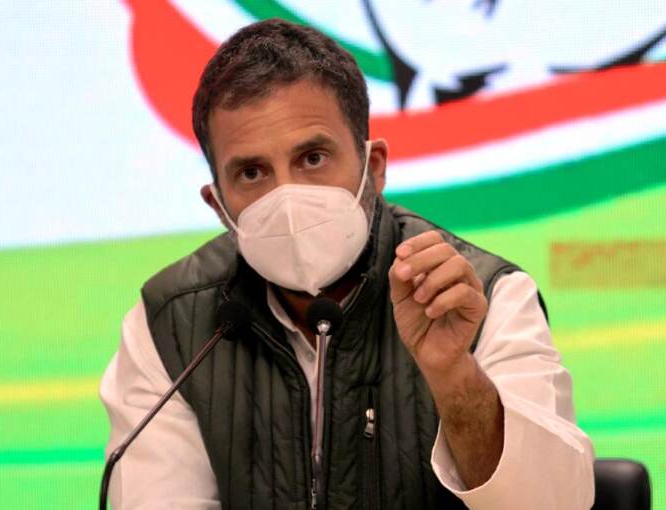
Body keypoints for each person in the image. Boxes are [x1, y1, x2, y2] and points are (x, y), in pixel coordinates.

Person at [100, 18, 594, 509]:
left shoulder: (483, 297)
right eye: (251, 173)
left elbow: (551, 504)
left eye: (313, 158)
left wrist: (454, 375)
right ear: (219, 205)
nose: (287, 198)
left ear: (373, 169)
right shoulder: (171, 322)